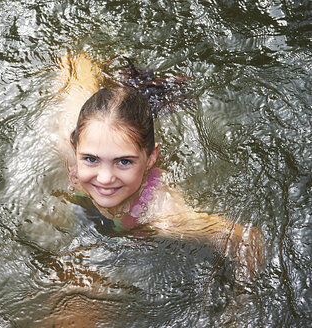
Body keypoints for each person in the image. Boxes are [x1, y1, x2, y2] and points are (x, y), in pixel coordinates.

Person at [55, 53, 265, 283]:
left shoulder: (162, 213)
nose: (105, 178)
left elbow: (247, 239)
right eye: (91, 159)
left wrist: (239, 307)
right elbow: (75, 60)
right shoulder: (66, 144)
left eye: (124, 161)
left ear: (151, 158)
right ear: (75, 148)